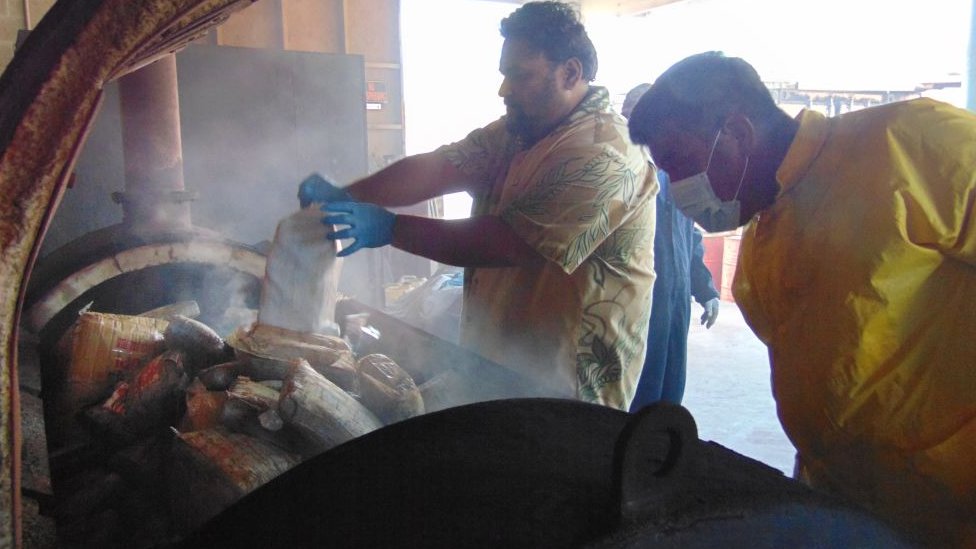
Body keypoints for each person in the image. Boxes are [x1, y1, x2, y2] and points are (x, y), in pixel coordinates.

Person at [627, 51, 976, 546]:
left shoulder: (909, 144)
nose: (679, 189)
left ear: (739, 135)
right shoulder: (764, 233)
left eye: (682, 164)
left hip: (954, 510)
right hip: (852, 503)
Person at [299, 1, 656, 411]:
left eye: (520, 76)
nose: (505, 90)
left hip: (568, 386)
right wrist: (351, 195)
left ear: (570, 73)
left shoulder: (605, 153)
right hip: (498, 362)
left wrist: (389, 228)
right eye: (505, 75)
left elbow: (506, 243)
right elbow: (442, 167)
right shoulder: (520, 131)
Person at [621, 83, 719, 410]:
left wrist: (706, 290)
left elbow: (690, 237)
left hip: (675, 303)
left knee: (669, 390)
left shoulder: (678, 174)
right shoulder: (621, 175)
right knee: (634, 391)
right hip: (637, 303)